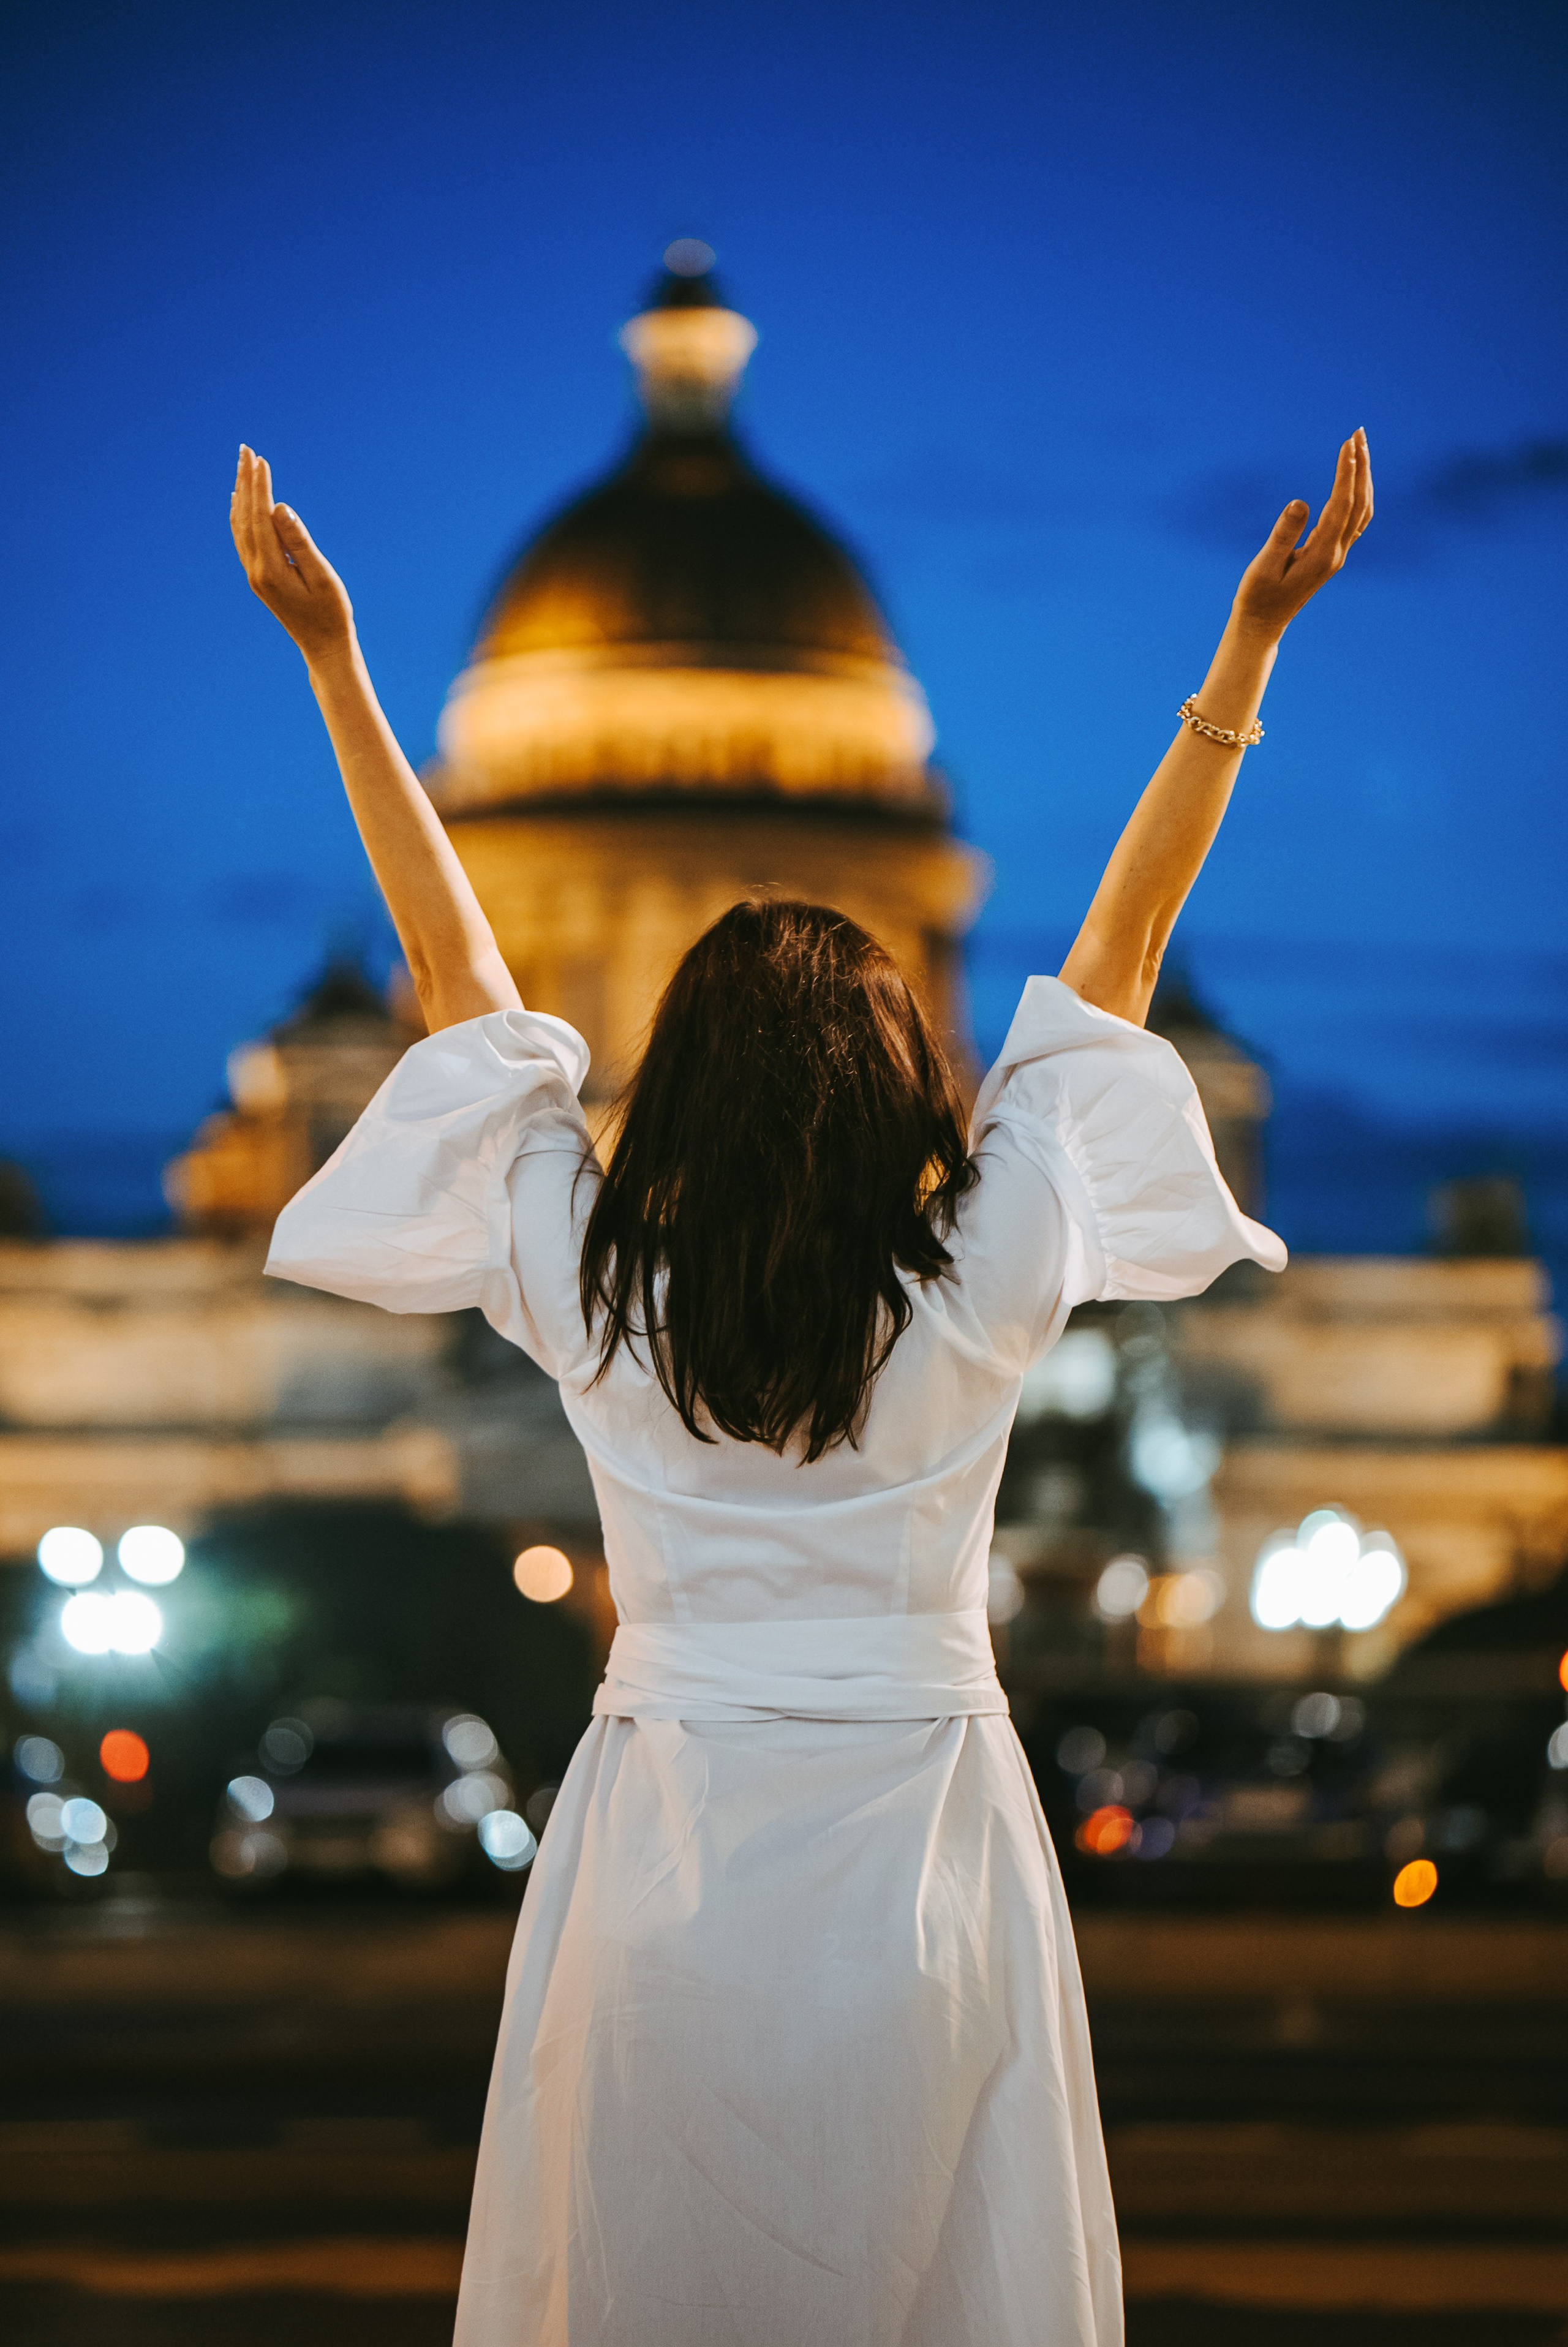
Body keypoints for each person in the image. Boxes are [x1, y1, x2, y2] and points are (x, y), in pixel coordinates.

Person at [230, 426, 1373, 2347]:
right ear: (903, 1066)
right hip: (932, 1854)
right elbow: (1122, 955)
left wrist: (335, 661)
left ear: (673, 1070)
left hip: (660, 1852)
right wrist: (1249, 648)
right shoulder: (988, 1278)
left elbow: (451, 975)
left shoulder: (598, 1294)